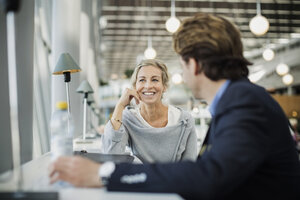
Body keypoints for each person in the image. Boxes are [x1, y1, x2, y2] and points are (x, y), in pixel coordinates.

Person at [49, 13, 300, 199]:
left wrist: (102, 174)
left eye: (182, 65)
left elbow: (208, 176)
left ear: (194, 64)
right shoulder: (240, 99)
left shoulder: (245, 105)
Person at [101, 59, 198, 163]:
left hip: (174, 179)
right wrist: (120, 105)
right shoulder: (128, 119)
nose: (148, 86)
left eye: (155, 80)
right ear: (135, 86)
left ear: (164, 86)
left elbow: (190, 165)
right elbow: (110, 156)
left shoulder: (184, 120)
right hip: (141, 178)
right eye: (142, 80)